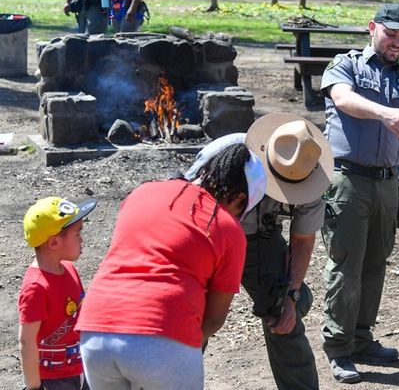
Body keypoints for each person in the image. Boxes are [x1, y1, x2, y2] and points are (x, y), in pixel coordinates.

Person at [76, 143, 266, 390]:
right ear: (240, 197)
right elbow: (213, 320)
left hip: (94, 331)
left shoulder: (143, 192)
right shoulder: (227, 228)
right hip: (160, 336)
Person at [320, 3, 399, 384]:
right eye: (392, 34)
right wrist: (384, 113)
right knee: (346, 266)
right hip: (347, 180)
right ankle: (338, 348)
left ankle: (361, 337)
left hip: (388, 184)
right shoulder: (347, 65)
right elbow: (342, 98)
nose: (398, 43)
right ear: (372, 28)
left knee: (375, 265)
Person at [184, 113, 333, 390]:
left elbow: (302, 240)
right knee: (192, 314)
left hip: (260, 239)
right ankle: (174, 378)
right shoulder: (228, 152)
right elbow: (187, 201)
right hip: (209, 235)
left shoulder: (311, 170)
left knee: (285, 316)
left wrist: (292, 294)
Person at [19, 197, 97, 390]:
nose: (82, 239)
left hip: (80, 367)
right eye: (77, 234)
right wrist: (34, 387)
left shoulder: (70, 270)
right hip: (53, 380)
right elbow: (27, 342)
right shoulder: (36, 288)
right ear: (54, 243)